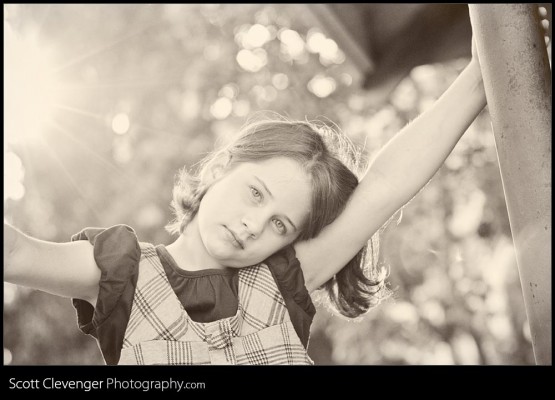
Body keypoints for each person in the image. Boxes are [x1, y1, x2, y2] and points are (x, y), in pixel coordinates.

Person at [4, 38, 486, 365]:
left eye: (281, 225)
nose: (255, 225)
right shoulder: (121, 274)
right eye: (256, 193)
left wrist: (481, 73)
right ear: (220, 168)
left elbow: (383, 184)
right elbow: (16, 252)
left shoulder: (282, 280)